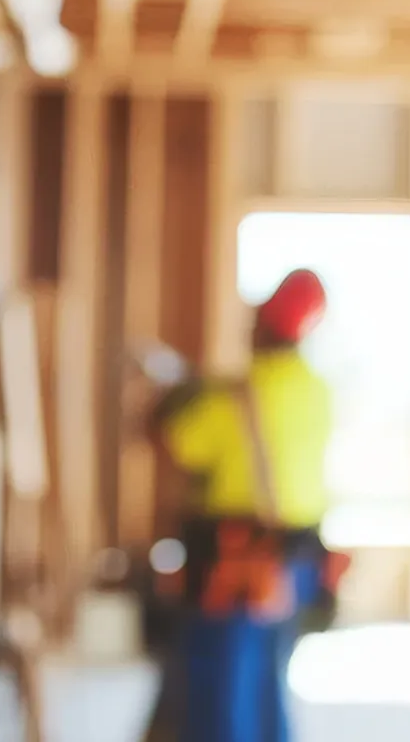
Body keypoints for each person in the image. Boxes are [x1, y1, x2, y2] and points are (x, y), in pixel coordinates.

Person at [145, 269, 335, 742]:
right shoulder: (317, 391)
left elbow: (179, 441)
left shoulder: (237, 393)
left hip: (234, 567)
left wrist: (179, 393)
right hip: (296, 562)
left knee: (219, 689)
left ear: (264, 325)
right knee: (269, 685)